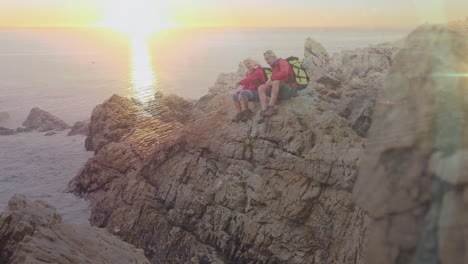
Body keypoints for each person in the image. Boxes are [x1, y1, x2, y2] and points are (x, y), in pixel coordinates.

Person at [257, 50, 298, 121]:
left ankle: (272, 106)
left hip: (289, 89)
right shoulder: (274, 67)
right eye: (265, 60)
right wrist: (266, 85)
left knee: (276, 82)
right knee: (261, 87)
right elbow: (272, 78)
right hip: (280, 89)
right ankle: (264, 109)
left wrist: (272, 79)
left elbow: (284, 73)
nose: (267, 61)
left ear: (273, 56)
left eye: (268, 58)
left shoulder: (283, 62)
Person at [231, 58, 266, 122]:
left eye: (249, 63)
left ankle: (247, 112)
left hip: (259, 92)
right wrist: (241, 91)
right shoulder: (248, 73)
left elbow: (250, 78)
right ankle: (239, 114)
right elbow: (247, 84)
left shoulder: (258, 70)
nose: (247, 65)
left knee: (244, 93)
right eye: (246, 64)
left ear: (253, 63)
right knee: (234, 96)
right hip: (251, 92)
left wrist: (239, 83)